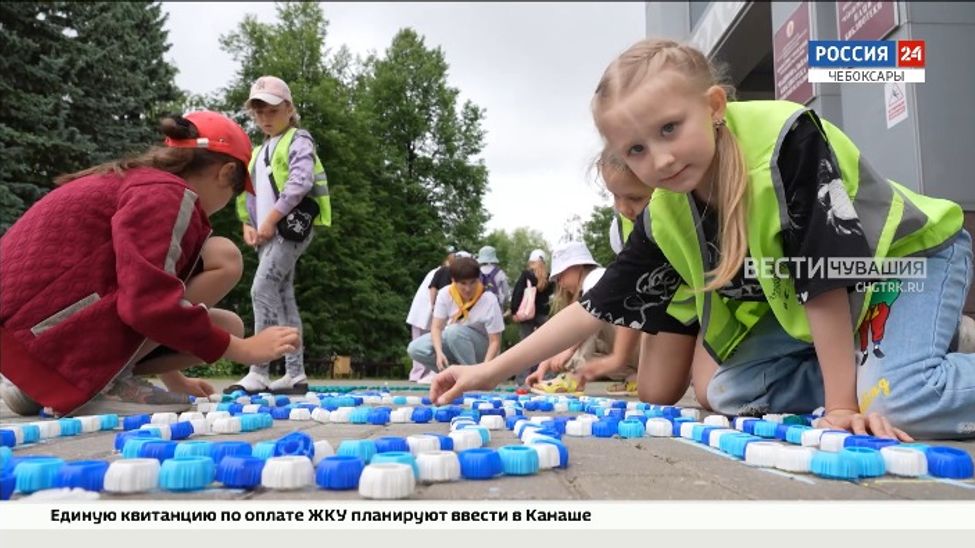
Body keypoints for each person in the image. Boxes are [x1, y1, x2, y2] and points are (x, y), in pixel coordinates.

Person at [431, 38, 975, 441]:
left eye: (670, 129)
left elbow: (825, 280)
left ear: (714, 107)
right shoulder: (667, 210)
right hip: (840, 308)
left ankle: (898, 373)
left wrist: (839, 408)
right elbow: (595, 306)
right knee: (725, 394)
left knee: (902, 402)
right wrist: (487, 372)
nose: (660, 160)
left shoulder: (788, 139)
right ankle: (892, 364)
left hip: (908, 264)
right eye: (636, 150)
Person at [0, 111, 300, 417]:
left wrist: (175, 379)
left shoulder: (142, 182)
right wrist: (245, 350)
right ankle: (91, 384)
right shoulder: (166, 194)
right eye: (234, 192)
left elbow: (148, 286)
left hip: (27, 336)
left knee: (227, 323)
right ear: (225, 174)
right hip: (32, 341)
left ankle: (56, 382)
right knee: (225, 265)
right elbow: (146, 303)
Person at [229, 75, 331, 395]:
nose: (264, 118)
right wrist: (248, 222)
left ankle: (259, 370)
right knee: (283, 298)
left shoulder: (299, 139)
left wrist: (271, 219)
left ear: (289, 109)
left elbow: (299, 182)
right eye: (258, 113)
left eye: (271, 111)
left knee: (261, 288)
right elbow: (247, 192)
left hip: (290, 229)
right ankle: (295, 374)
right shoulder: (258, 150)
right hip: (268, 234)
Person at [522, 242, 639, 396]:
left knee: (590, 318)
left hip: (637, 347)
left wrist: (569, 352)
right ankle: (635, 379)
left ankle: (573, 376)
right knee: (590, 346)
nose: (560, 283)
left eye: (561, 275)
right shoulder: (593, 284)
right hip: (640, 355)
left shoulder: (597, 276)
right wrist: (543, 367)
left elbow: (592, 317)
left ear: (577, 266)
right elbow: (564, 334)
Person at [407, 256, 505, 377]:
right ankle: (453, 375)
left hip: (482, 350)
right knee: (416, 348)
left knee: (453, 331)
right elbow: (436, 327)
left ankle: (473, 377)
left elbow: (495, 341)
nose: (468, 289)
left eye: (472, 282)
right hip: (455, 341)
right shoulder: (445, 294)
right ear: (453, 280)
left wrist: (485, 369)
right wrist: (439, 353)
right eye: (463, 283)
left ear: (478, 279)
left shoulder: (489, 299)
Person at [509, 248, 555, 385]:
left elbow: (517, 293)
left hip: (527, 315)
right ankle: (548, 377)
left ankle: (522, 380)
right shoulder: (549, 276)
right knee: (548, 346)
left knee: (525, 347)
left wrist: (514, 311)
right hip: (544, 315)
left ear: (531, 262)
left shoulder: (526, 275)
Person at [405, 264, 441, 383]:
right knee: (424, 344)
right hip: (426, 312)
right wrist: (435, 308)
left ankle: (419, 374)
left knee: (424, 342)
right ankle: (421, 374)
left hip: (425, 313)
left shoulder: (436, 271)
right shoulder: (442, 272)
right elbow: (433, 289)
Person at [477, 245, 511, 309]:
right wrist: (504, 302)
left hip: (479, 304)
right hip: (495, 305)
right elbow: (506, 292)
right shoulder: (500, 273)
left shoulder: (477, 272)